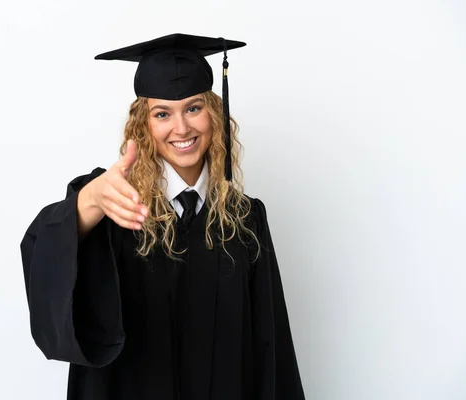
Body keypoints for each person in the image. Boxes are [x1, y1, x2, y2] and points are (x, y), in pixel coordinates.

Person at [20, 33, 305, 400]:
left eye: (193, 108)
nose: (182, 128)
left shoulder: (245, 220)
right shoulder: (115, 205)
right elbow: (45, 256)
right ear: (144, 124)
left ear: (214, 115)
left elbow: (272, 347)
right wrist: (88, 201)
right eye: (162, 114)